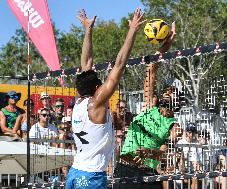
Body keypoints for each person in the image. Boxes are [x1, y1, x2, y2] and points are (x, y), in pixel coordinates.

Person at [66, 8, 146, 189]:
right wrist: (133, 30)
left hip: (75, 172)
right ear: (97, 88)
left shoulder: (79, 102)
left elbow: (86, 63)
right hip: (90, 176)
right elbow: (119, 64)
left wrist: (87, 30)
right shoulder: (96, 103)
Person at [116, 22, 179, 189]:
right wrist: (167, 44)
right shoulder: (150, 105)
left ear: (178, 99)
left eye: (172, 90)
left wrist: (150, 152)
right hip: (125, 169)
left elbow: (165, 150)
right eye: (167, 89)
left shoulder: (174, 126)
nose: (167, 91)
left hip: (147, 175)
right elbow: (151, 70)